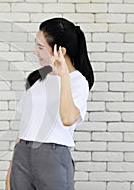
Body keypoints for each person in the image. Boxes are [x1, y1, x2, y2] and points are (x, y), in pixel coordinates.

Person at [6, 17, 94, 190]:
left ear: (60, 50)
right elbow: (24, 126)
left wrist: (64, 76)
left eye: (40, 47)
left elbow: (68, 119)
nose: (35, 51)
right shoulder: (36, 79)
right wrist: (11, 170)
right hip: (22, 155)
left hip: (53, 157)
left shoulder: (77, 82)